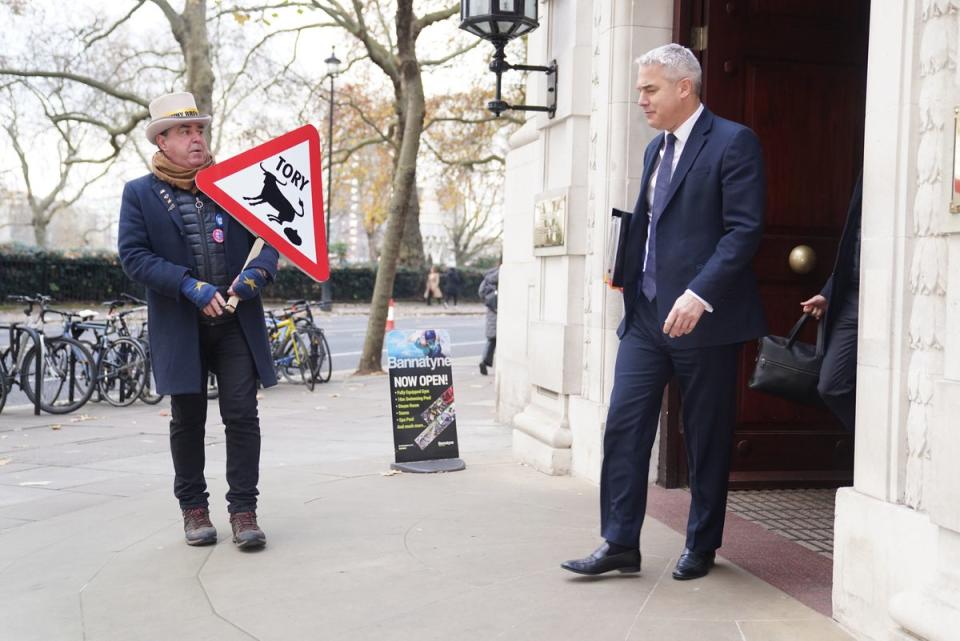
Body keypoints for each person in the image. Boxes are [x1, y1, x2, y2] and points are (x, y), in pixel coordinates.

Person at [561, 44, 767, 580]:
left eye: (649, 89)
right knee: (624, 426)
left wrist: (699, 294)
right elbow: (654, 224)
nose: (641, 100)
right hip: (648, 318)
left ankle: (701, 544)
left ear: (684, 87)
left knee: (705, 436)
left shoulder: (733, 142)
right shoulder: (655, 150)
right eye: (638, 90)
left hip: (706, 320)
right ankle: (619, 542)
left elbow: (743, 230)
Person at [118, 92, 280, 550]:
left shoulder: (234, 184)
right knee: (187, 422)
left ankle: (243, 512)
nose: (196, 139)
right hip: (180, 327)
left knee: (243, 418)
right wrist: (190, 286)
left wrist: (256, 274)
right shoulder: (139, 193)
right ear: (162, 140)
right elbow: (133, 257)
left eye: (200, 130)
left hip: (235, 324)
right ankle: (194, 511)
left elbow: (272, 237)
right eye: (185, 131)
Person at [800, 172, 862, 432]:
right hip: (854, 297)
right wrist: (829, 291)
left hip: (900, 291)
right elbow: (853, 238)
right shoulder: (869, 170)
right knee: (831, 385)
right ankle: (873, 452)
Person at [478, 265, 499, 376]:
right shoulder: (503, 273)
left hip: (491, 310)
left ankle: (484, 361)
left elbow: (481, 292)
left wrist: (488, 301)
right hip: (503, 310)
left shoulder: (488, 277)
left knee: (491, 338)